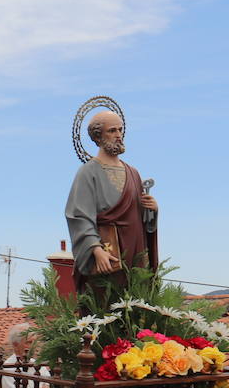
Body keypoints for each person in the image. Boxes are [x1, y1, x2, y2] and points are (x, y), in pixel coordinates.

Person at [65, 110, 159, 297]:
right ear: (98, 136)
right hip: (108, 253)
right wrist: (95, 249)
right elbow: (79, 216)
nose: (118, 135)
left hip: (136, 251)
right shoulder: (88, 172)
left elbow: (140, 218)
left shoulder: (133, 173)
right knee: (105, 303)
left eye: (120, 129)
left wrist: (152, 210)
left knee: (135, 305)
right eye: (112, 130)